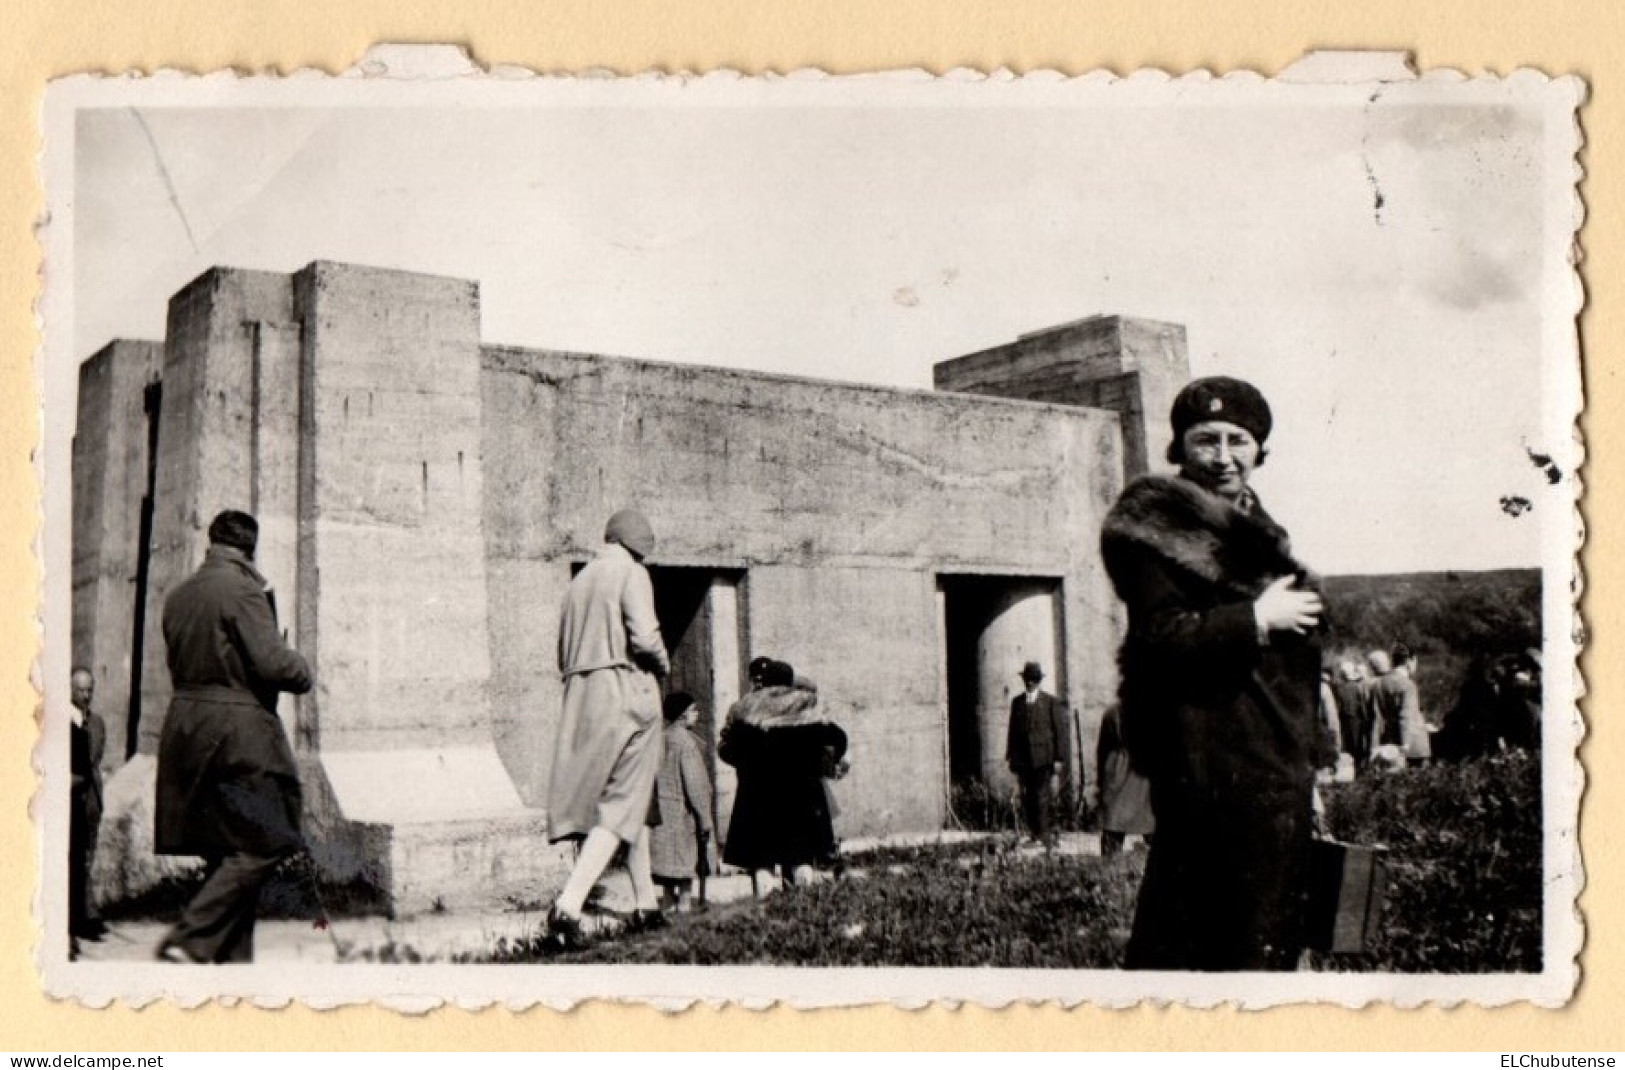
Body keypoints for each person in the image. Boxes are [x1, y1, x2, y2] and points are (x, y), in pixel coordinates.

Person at [1100, 375, 1326, 971]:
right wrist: (1256, 617)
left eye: (1238, 441)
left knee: (1266, 937)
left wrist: (1308, 764)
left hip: (1275, 765)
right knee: (1206, 946)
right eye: (1206, 440)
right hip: (1207, 763)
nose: (1223, 457)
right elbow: (1161, 638)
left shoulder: (1256, 524)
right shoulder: (1153, 526)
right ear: (1179, 447)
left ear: (1260, 451)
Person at [154, 510, 313, 963]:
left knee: (225, 852)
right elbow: (272, 664)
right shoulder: (244, 590)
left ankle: (231, 968)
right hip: (237, 733)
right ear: (250, 548)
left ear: (213, 542)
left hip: (186, 728)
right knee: (269, 837)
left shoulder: (179, 596)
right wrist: (300, 666)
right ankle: (192, 936)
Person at [545, 508, 671, 949]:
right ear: (639, 545)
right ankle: (569, 904)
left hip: (582, 692)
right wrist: (662, 666)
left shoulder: (578, 581)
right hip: (627, 686)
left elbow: (561, 653)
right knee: (623, 803)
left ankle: (645, 904)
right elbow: (644, 637)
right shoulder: (631, 573)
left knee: (622, 802)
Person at [720, 659, 847, 897]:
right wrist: (822, 761)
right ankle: (804, 906)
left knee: (762, 857)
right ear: (790, 680)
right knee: (801, 854)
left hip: (757, 795)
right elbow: (838, 739)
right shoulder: (809, 707)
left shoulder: (743, 709)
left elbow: (727, 749)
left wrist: (749, 766)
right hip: (802, 793)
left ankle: (765, 906)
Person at [648, 692, 716, 914]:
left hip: (661, 809)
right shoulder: (687, 743)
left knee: (667, 863)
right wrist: (704, 817)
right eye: (694, 710)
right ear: (683, 715)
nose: (697, 714)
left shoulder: (660, 739)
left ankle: (668, 903)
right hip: (681, 811)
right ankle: (685, 905)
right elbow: (695, 785)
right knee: (685, 862)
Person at [1005, 661, 1070, 844]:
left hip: (1044, 758)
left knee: (1042, 795)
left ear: (1039, 681)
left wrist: (1059, 758)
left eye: (1033, 679)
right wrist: (1011, 755)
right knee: (1028, 797)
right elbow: (1013, 730)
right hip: (1023, 759)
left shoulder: (1050, 702)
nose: (1030, 683)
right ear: (1024, 680)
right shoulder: (1017, 702)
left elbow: (1060, 732)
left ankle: (1044, 834)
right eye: (1027, 679)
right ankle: (1035, 832)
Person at [68, 667, 108, 953]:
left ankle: (84, 916)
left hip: (90, 796)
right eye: (80, 689)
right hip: (70, 796)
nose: (86, 695)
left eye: (89, 689)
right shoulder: (65, 721)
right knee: (73, 858)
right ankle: (84, 917)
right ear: (70, 690)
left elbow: (92, 757)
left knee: (87, 856)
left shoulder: (96, 723)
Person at [1095, 703, 1153, 857]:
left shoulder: (1111, 712)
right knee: (1116, 823)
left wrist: (1101, 780)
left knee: (1116, 822)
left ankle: (1109, 865)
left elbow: (1102, 750)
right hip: (1134, 770)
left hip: (1123, 771)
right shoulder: (1112, 713)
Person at [1389, 643, 1431, 763]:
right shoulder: (1408, 685)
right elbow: (1406, 715)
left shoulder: (1380, 683)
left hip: (1390, 741)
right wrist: (1406, 744)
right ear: (1409, 661)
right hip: (1412, 747)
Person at [1330, 657, 1373, 771]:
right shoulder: (1359, 686)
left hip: (1345, 719)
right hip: (1358, 719)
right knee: (1358, 745)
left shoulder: (1339, 688)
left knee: (1349, 745)